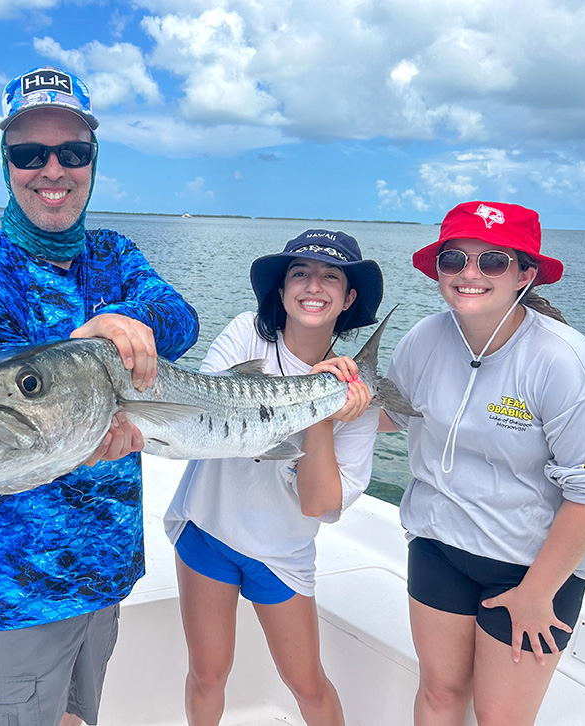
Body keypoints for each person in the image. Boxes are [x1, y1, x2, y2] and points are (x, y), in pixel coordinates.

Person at [0, 66, 199, 726]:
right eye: (30, 153)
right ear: (7, 165)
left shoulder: (112, 254)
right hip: (18, 586)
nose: (53, 170)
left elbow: (181, 318)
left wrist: (128, 320)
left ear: (92, 162)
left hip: (105, 567)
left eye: (72, 152)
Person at [380, 201, 585, 725]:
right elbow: (392, 415)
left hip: (531, 567)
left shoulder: (564, 361)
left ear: (525, 274)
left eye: (493, 261)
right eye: (453, 259)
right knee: (439, 693)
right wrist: (330, 394)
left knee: (502, 719)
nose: (469, 274)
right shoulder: (424, 338)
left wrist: (537, 593)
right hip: (439, 547)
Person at [164, 229, 382, 726]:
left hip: (281, 552)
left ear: (349, 298)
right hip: (209, 530)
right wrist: (314, 390)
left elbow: (317, 503)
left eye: (331, 277)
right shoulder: (247, 334)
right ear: (281, 290)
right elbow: (205, 414)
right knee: (207, 675)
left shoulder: (357, 397)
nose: (313, 285)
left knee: (307, 684)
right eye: (299, 273)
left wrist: (324, 407)